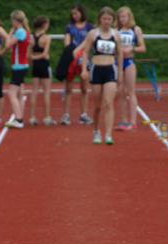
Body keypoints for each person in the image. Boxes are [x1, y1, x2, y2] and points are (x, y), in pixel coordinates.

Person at [82, 7, 123, 145]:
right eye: (104, 19)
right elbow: (85, 51)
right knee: (98, 105)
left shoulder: (116, 34)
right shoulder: (93, 34)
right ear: (100, 19)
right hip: (96, 69)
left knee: (108, 102)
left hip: (110, 69)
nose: (106, 21)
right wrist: (84, 69)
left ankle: (109, 134)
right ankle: (96, 131)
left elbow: (120, 53)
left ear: (112, 20)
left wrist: (121, 72)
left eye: (109, 19)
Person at [61, 5, 94, 126]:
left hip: (85, 60)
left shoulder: (90, 27)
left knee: (84, 88)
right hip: (72, 59)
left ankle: (83, 115)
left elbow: (91, 43)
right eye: (73, 14)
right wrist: (72, 51)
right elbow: (67, 43)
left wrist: (83, 54)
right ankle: (66, 115)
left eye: (76, 13)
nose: (74, 16)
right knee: (68, 88)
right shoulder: (69, 27)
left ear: (81, 13)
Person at [115, 6, 145, 131]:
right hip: (117, 62)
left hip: (129, 62)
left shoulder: (135, 29)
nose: (122, 19)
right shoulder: (115, 30)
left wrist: (131, 49)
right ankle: (123, 120)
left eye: (124, 16)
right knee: (120, 92)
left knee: (130, 91)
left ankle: (133, 122)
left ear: (129, 16)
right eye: (120, 17)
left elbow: (143, 48)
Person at [5, 10, 30, 129]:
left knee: (12, 93)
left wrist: (9, 34)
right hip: (22, 65)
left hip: (18, 66)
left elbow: (8, 45)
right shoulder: (24, 31)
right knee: (20, 92)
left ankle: (18, 119)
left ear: (15, 21)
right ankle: (19, 117)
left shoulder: (19, 32)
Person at [29, 16, 56, 126]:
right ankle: (47, 117)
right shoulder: (46, 37)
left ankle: (32, 117)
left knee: (34, 91)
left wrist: (33, 61)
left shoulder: (31, 37)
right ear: (44, 24)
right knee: (46, 91)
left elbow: (29, 54)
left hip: (35, 65)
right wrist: (36, 58)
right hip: (44, 64)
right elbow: (45, 54)